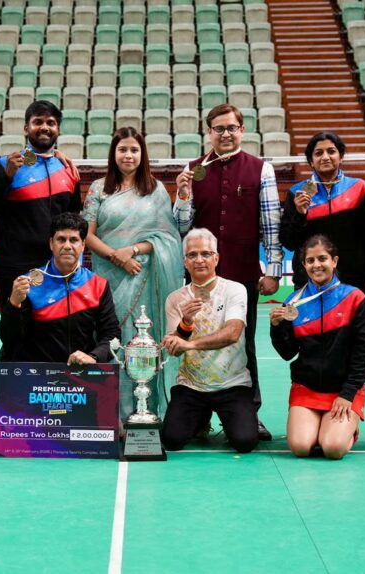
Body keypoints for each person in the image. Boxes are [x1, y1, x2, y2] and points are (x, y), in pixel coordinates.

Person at [174, 103, 281, 441]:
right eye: (218, 128)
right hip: (198, 279)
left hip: (243, 275)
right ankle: (199, 416)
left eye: (231, 127)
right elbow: (181, 226)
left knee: (244, 344)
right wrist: (182, 196)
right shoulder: (191, 170)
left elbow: (271, 225)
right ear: (209, 132)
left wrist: (273, 270)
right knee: (195, 341)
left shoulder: (261, 169)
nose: (225, 134)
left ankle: (252, 412)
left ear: (242, 130)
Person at [82, 127, 183, 422]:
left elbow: (168, 237)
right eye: (123, 149)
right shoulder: (99, 189)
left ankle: (145, 410)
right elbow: (86, 234)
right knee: (112, 338)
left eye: (134, 150)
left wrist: (133, 250)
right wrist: (117, 257)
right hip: (108, 278)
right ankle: (111, 415)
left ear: (143, 154)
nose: (128, 155)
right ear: (113, 153)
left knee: (143, 340)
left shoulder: (155, 190)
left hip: (146, 279)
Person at [0, 100, 82, 361]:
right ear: (26, 127)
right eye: (38, 122)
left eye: (51, 123)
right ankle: (14, 388)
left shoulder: (68, 169)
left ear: (58, 129)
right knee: (14, 335)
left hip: (55, 267)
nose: (44, 127)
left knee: (54, 335)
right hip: (13, 267)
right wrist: (6, 176)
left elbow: (74, 221)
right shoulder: (7, 164)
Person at [270, 235, 365, 460]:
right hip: (307, 388)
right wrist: (277, 327)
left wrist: (348, 393)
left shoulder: (354, 298)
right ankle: (322, 427)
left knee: (333, 448)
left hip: (343, 390)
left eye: (322, 259)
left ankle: (346, 427)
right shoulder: (293, 302)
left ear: (334, 261)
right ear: (304, 265)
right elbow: (288, 353)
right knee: (300, 447)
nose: (316, 265)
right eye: (310, 261)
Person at [160, 228, 260, 453]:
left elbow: (233, 333)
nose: (199, 260)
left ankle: (225, 416)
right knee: (172, 440)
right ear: (185, 262)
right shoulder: (175, 299)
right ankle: (201, 417)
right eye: (192, 255)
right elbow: (175, 349)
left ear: (216, 258)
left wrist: (191, 344)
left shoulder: (235, 290)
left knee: (245, 442)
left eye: (206, 254)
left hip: (232, 384)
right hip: (191, 385)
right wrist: (186, 322)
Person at [280, 132, 365, 307]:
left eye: (331, 151)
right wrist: (300, 214)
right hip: (309, 282)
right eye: (318, 153)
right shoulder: (297, 193)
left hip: (352, 283)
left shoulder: (358, 188)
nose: (325, 157)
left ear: (341, 156)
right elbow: (289, 242)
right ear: (311, 161)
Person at [2, 213, 120, 364]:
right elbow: (9, 339)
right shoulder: (28, 284)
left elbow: (112, 335)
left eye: (74, 240)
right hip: (38, 373)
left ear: (83, 245)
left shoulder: (98, 285)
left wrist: (93, 356)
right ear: (51, 244)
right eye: (61, 239)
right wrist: (13, 305)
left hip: (80, 371)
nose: (67, 246)